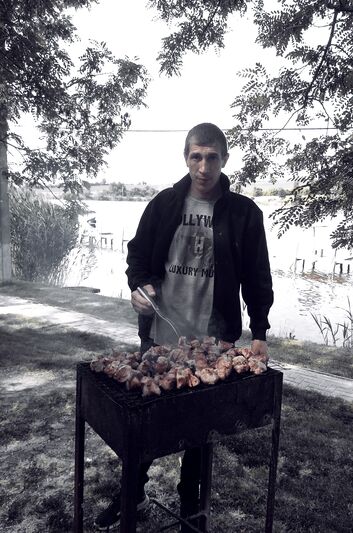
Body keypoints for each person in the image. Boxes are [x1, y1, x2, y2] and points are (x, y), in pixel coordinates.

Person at [94, 123, 273, 532]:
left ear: (224, 159)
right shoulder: (164, 203)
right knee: (144, 422)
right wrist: (139, 286)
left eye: (212, 157)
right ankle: (131, 493)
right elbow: (137, 256)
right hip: (161, 332)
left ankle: (191, 504)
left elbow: (257, 276)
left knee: (201, 429)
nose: (204, 167)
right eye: (196, 156)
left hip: (213, 341)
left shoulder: (244, 213)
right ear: (186, 157)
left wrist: (260, 332)